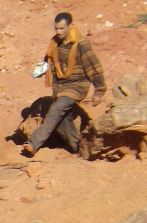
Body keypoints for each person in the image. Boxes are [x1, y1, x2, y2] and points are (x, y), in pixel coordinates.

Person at [23, 12, 107, 157]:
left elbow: (94, 67)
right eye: (56, 28)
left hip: (76, 86)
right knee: (62, 118)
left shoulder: (81, 44)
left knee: (56, 109)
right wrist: (39, 71)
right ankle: (78, 148)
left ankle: (33, 143)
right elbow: (47, 61)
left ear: (70, 26)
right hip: (60, 88)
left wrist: (99, 90)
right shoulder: (54, 42)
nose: (58, 32)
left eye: (62, 28)